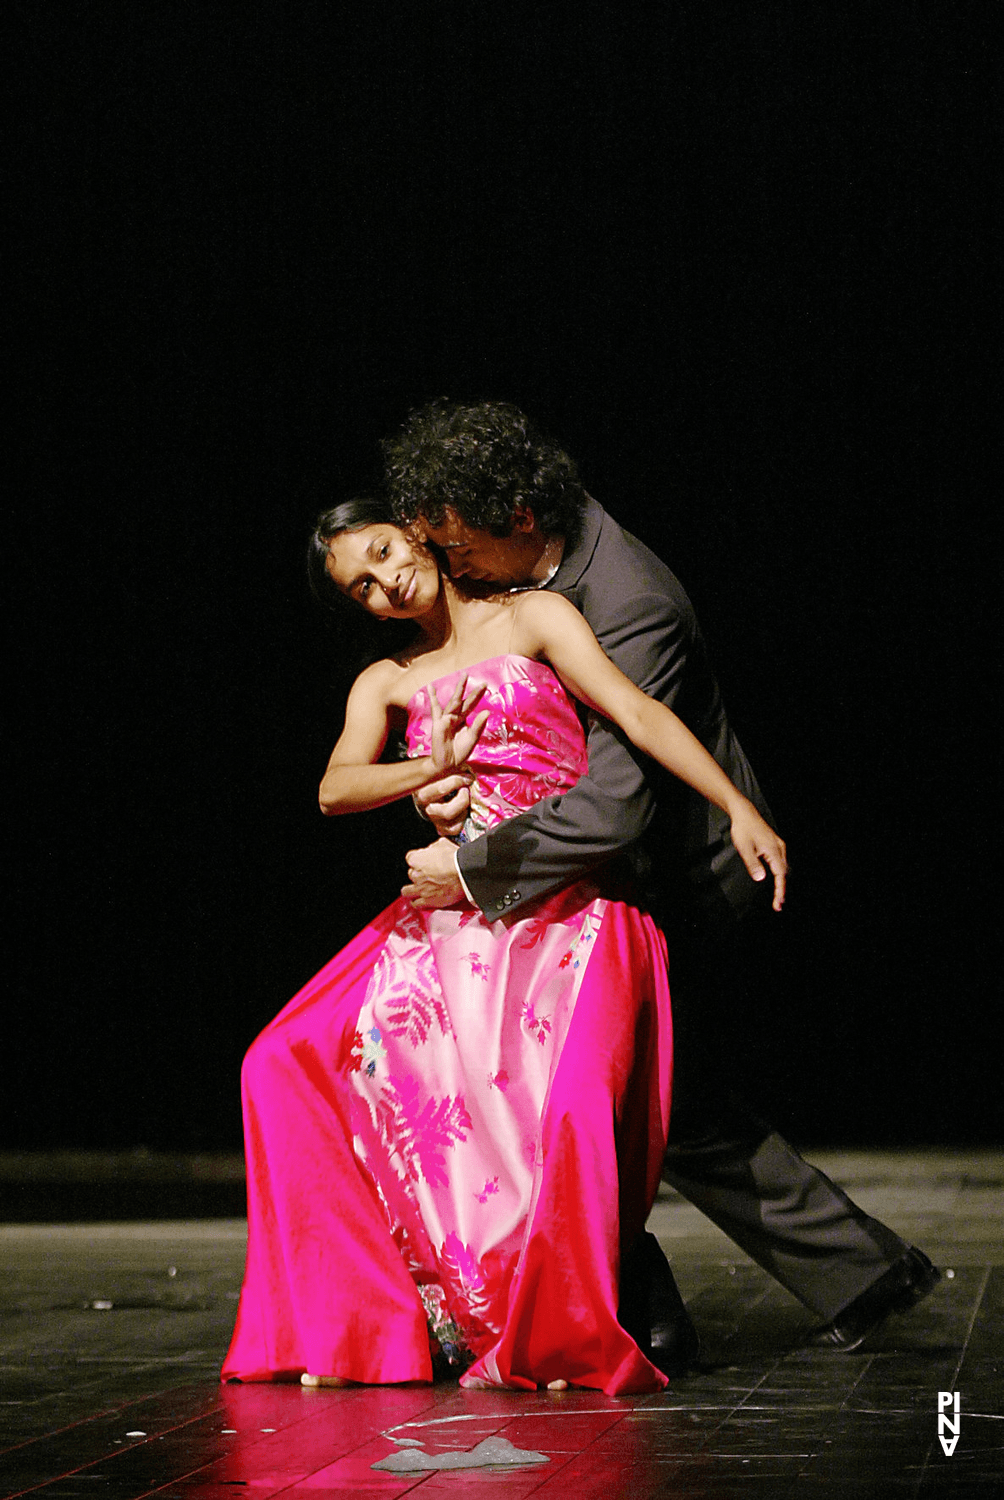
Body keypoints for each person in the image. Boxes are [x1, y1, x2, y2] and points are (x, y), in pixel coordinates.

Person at [384, 399, 940, 1361]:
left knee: (615, 1097)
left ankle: (651, 1305)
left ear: (520, 517)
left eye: (460, 547)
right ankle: (819, 1280)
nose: (452, 568)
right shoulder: (535, 567)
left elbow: (614, 804)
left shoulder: (628, 600)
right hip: (590, 877)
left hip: (675, 879)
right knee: (654, 1103)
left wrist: (471, 869)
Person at [222, 497, 787, 1395]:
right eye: (360, 586)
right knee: (280, 1062)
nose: (383, 583)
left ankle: (568, 1315)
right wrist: (432, 768)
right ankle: (384, 1322)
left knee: (556, 1110)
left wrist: (737, 805)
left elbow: (636, 713)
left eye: (382, 552)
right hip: (452, 916)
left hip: (565, 905)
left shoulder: (534, 616)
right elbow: (335, 788)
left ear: (415, 532)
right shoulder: (387, 680)